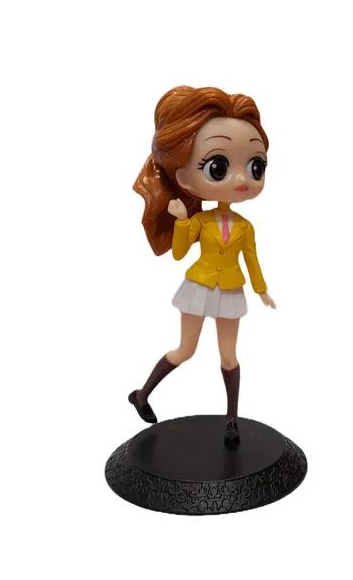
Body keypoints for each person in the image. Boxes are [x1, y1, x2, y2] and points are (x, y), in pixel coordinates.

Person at [129, 86, 276, 446]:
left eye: (255, 166)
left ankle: (232, 420)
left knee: (229, 356)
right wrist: (181, 221)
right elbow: (179, 253)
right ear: (183, 178)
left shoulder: (244, 227)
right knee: (186, 350)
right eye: (219, 167)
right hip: (199, 286)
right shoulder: (198, 221)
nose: (242, 179)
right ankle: (142, 395)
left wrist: (261, 290)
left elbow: (251, 259)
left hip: (231, 288)